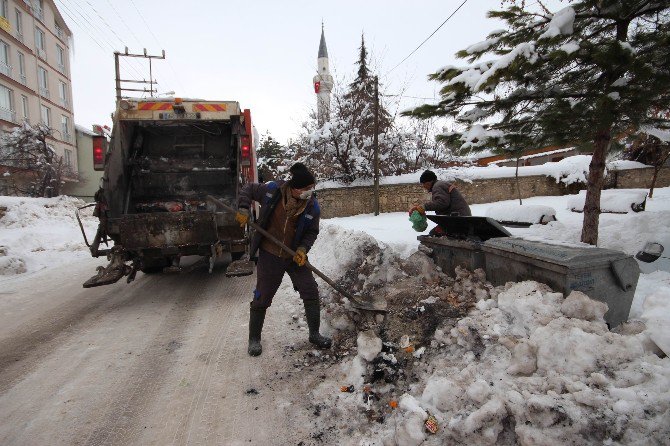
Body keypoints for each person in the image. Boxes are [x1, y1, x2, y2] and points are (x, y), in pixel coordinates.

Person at [236, 162, 332, 356]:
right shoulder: (272, 191)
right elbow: (247, 188)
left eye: (312, 188)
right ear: (295, 188)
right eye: (306, 188)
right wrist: (244, 208)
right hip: (270, 253)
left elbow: (311, 232)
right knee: (262, 296)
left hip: (293, 255)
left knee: (310, 289)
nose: (310, 192)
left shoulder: (312, 206)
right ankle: (254, 339)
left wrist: (303, 249)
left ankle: (314, 334)